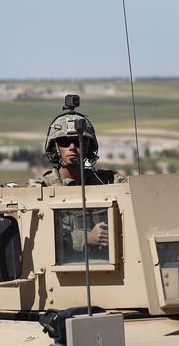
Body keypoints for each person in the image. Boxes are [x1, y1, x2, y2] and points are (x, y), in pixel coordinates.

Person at [30, 103, 126, 258]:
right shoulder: (42, 188)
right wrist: (86, 238)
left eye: (79, 140)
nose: (72, 147)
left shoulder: (107, 181)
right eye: (64, 142)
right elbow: (40, 238)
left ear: (88, 146)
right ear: (55, 148)